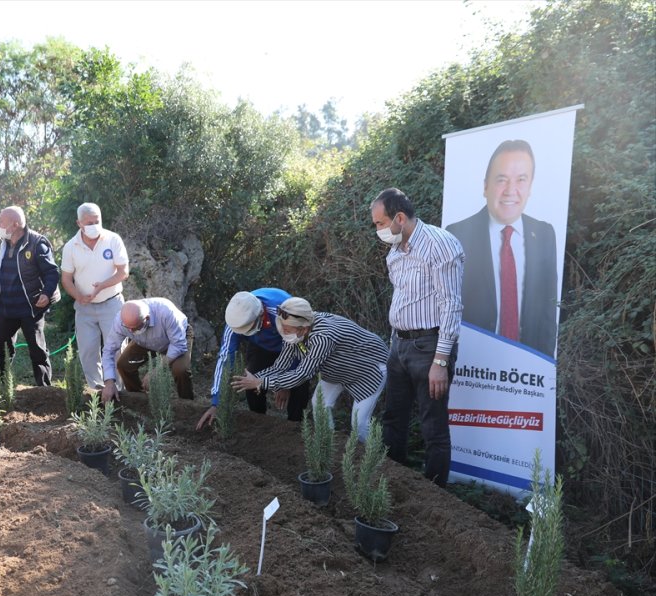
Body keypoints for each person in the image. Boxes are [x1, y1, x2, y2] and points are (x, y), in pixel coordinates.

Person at [370, 188, 464, 487]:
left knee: (433, 428)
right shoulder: (395, 252)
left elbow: (451, 304)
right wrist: (393, 344)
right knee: (393, 420)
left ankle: (435, 501)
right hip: (399, 346)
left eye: (380, 223)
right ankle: (394, 488)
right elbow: (403, 298)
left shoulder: (440, 245)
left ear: (399, 218)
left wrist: (441, 360)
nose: (378, 230)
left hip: (430, 348)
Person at [446, 139, 558, 357]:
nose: (511, 191)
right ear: (485, 185)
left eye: (521, 180)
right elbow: (447, 307)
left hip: (527, 369)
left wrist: (542, 364)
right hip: (473, 368)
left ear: (531, 186)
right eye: (502, 180)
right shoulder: (456, 234)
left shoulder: (545, 234)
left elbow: (548, 312)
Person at [230, 297, 388, 439]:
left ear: (304, 329)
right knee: (319, 406)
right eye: (282, 328)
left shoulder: (323, 337)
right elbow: (281, 364)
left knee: (359, 423)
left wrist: (261, 383)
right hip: (336, 370)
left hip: (368, 370)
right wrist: (256, 378)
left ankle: (376, 462)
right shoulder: (292, 331)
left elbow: (302, 374)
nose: (283, 332)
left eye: (287, 330)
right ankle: (329, 447)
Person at [196, 288, 313, 429]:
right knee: (250, 381)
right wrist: (216, 403)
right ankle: (258, 424)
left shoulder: (282, 311)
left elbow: (299, 348)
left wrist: (285, 384)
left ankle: (295, 428)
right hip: (260, 347)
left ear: (261, 315)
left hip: (292, 344)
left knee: (299, 386)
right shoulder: (235, 320)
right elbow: (225, 358)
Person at [0, 206, 60, 386]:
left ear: (15, 224)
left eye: (1, 222)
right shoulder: (3, 244)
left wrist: (46, 293)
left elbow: (52, 273)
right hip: (6, 307)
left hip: (31, 307)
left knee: (37, 350)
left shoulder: (37, 243)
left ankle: (44, 390)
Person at [59, 203, 129, 390]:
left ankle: (119, 391)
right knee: (88, 352)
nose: (93, 225)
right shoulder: (70, 246)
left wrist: (102, 286)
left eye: (96, 221)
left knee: (116, 350)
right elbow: (66, 279)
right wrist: (78, 296)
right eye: (88, 222)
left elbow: (123, 271)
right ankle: (96, 391)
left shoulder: (113, 239)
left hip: (112, 304)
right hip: (85, 308)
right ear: (79, 223)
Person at [101, 298, 194, 403]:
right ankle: (138, 400)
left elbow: (178, 345)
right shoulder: (120, 321)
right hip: (143, 341)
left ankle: (187, 404)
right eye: (128, 328)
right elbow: (109, 350)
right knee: (124, 365)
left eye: (135, 328)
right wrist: (109, 382)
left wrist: (156, 371)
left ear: (147, 318)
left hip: (175, 340)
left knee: (180, 370)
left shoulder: (166, 312)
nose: (131, 331)